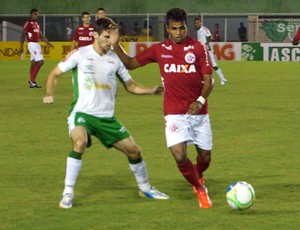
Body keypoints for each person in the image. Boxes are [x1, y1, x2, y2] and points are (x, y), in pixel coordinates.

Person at [43, 17, 169, 209]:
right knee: (79, 142)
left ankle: (145, 188)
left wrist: (150, 90)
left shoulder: (114, 60)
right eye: (106, 36)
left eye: (112, 37)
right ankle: (67, 192)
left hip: (106, 118)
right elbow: (54, 73)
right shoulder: (80, 54)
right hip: (82, 114)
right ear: (95, 35)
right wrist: (49, 94)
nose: (110, 41)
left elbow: (130, 86)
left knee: (135, 151)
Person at [111, 8, 214, 209]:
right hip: (174, 113)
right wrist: (116, 45)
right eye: (174, 28)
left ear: (187, 27)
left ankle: (198, 174)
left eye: (182, 28)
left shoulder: (199, 48)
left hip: (199, 112)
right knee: (178, 154)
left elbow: (210, 80)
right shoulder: (159, 49)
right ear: (167, 28)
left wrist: (200, 100)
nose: (178, 32)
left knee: (206, 157)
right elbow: (131, 64)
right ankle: (200, 190)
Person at [19, 8, 54, 88]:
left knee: (34, 63)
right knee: (41, 61)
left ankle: (32, 81)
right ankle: (32, 81)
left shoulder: (37, 24)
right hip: (32, 44)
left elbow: (41, 36)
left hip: (37, 45)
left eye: (37, 14)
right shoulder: (28, 23)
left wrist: (48, 43)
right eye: (34, 14)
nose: (36, 15)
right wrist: (21, 47)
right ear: (31, 14)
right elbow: (23, 35)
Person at [194, 17, 227, 86]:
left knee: (214, 65)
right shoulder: (197, 30)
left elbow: (209, 37)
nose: (197, 24)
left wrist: (205, 44)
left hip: (207, 50)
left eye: (198, 23)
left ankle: (223, 79)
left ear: (200, 23)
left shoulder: (204, 29)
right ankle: (202, 80)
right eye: (196, 23)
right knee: (199, 65)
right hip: (201, 50)